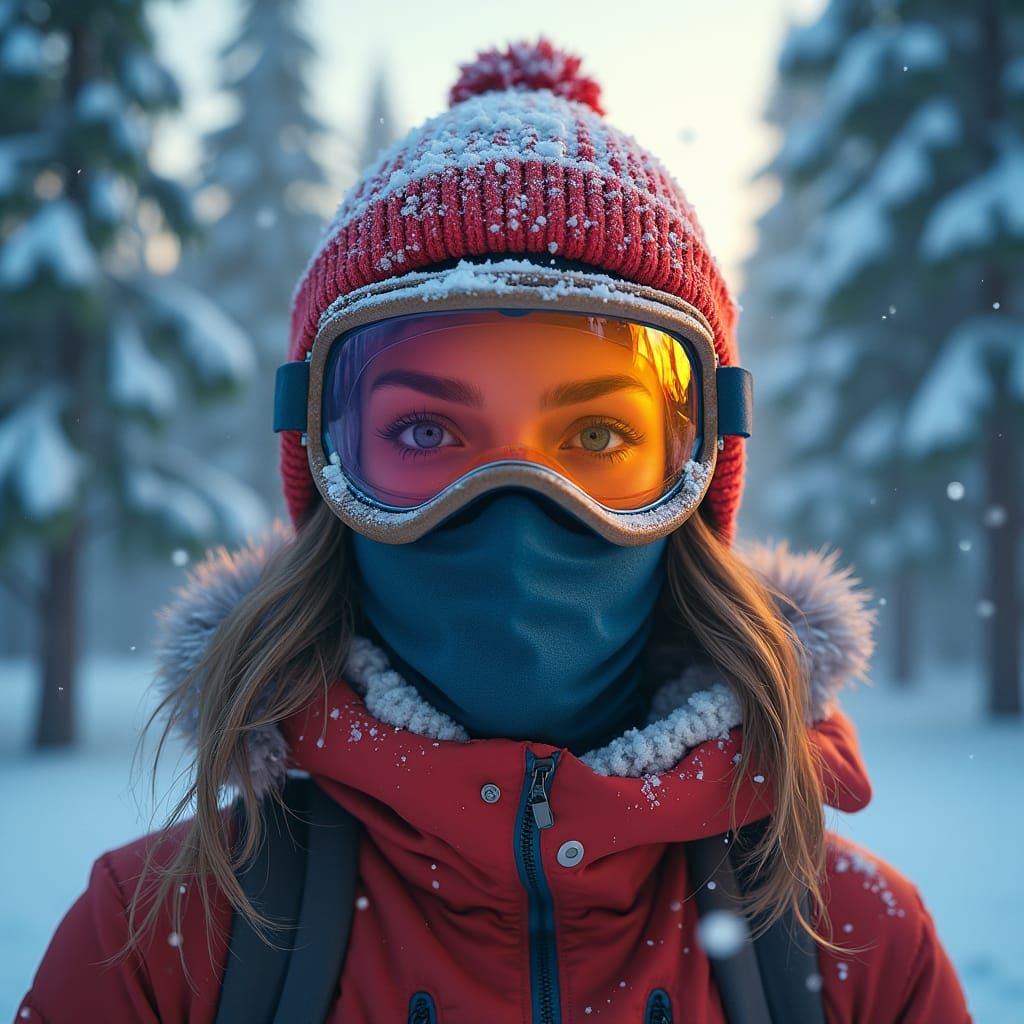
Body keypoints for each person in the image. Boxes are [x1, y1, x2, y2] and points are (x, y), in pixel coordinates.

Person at [18, 38, 972, 1024]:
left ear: (696, 472)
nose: (518, 503)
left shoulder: (854, 946)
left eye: (597, 433)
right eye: (427, 431)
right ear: (325, 466)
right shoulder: (162, 941)